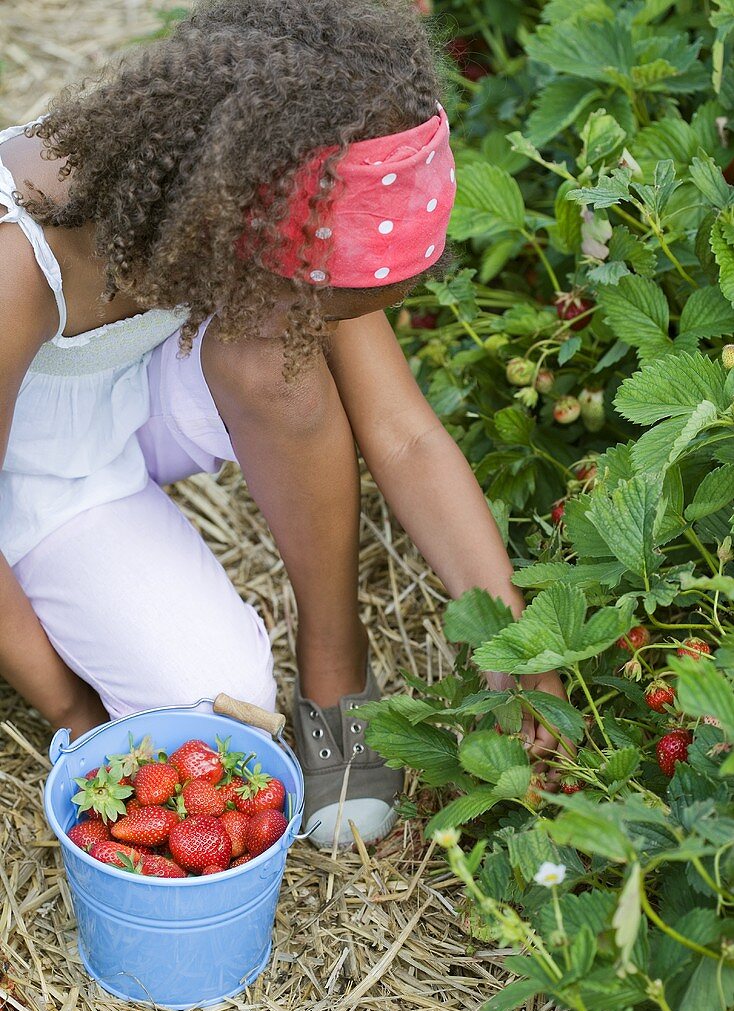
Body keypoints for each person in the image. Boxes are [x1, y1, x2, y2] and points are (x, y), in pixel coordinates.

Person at [0, 0, 564, 849]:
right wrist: (76, 710)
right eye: (320, 299)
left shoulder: (238, 184)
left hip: (117, 398)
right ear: (245, 227)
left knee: (275, 353)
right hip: (32, 478)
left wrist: (514, 642)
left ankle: (335, 663)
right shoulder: (19, 264)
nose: (329, 322)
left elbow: (405, 434)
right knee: (206, 706)